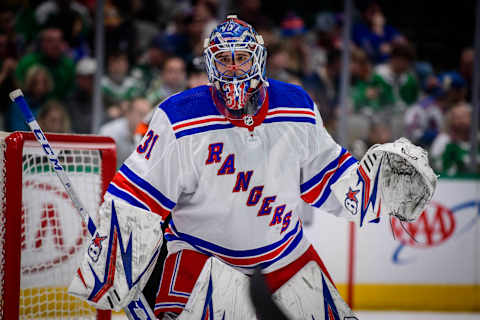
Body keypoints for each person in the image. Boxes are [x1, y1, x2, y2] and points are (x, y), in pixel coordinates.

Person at [70, 16, 436, 319]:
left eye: (241, 58)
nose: (233, 68)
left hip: (285, 252)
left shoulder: (296, 107)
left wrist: (373, 192)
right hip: (202, 255)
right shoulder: (179, 117)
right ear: (210, 65)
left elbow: (327, 175)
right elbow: (138, 195)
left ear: (257, 60)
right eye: (224, 60)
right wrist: (115, 256)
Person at [98, 97, 153, 168]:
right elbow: (100, 165)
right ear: (129, 114)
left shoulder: (150, 135)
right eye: (141, 114)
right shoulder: (109, 133)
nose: (145, 119)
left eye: (148, 115)